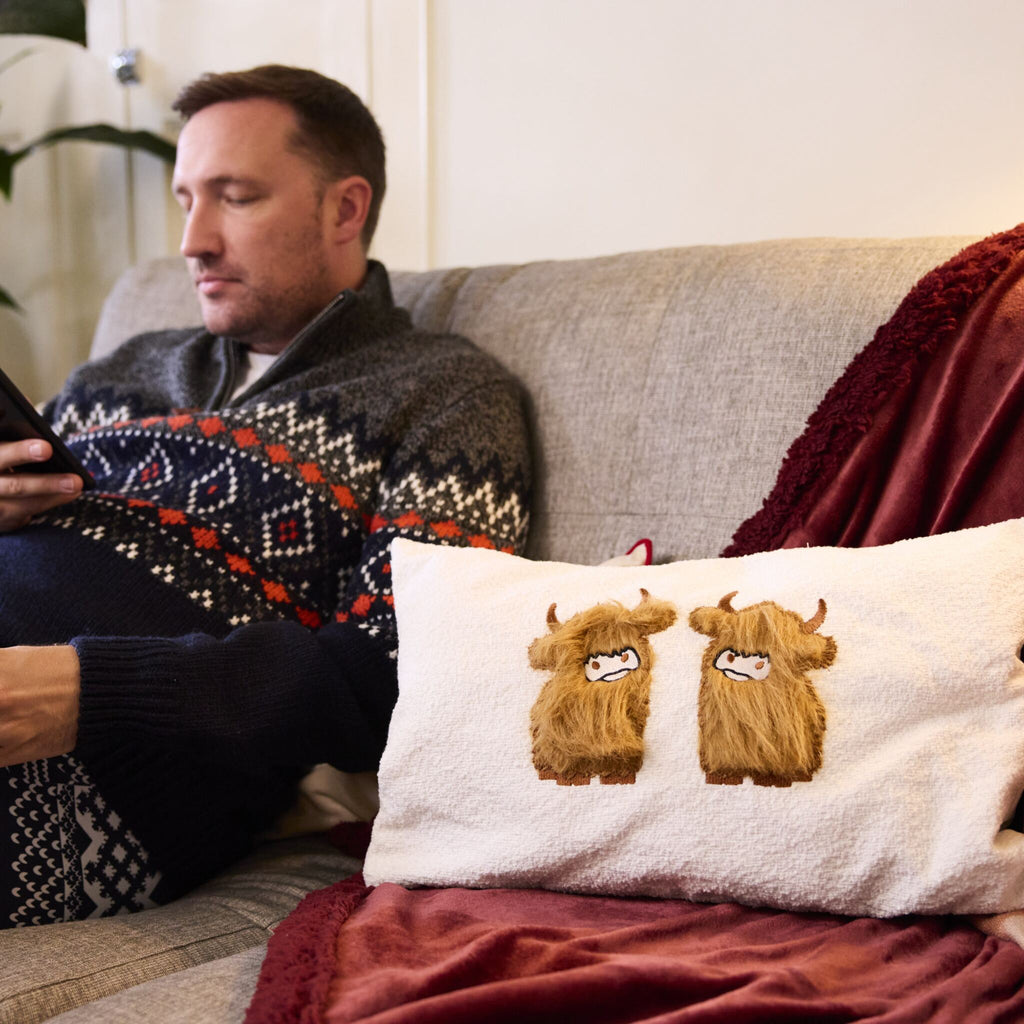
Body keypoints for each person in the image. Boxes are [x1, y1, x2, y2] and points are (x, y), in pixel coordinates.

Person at [0, 65, 530, 927]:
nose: (193, 241)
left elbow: (413, 667)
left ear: (344, 210)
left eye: (234, 197)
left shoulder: (445, 397)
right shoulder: (118, 370)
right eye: (185, 201)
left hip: (102, 770)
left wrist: (86, 691)